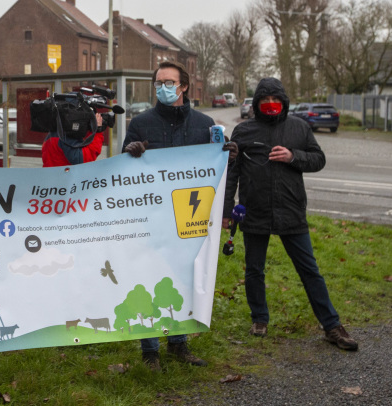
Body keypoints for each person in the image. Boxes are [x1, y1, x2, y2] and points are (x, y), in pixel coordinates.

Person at [222, 77, 358, 351]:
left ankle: (332, 325)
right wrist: (227, 212)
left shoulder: (299, 127)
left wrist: (293, 156)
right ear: (257, 104)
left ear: (284, 102)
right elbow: (232, 173)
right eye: (264, 101)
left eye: (275, 101)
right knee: (254, 270)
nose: (270, 105)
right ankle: (259, 319)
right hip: (254, 211)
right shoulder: (243, 131)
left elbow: (318, 159)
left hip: (291, 210)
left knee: (310, 270)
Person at [122, 61, 238, 371]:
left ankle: (178, 344)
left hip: (189, 216)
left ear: (183, 86)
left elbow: (213, 168)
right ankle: (150, 352)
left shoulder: (204, 125)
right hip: (153, 216)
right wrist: (130, 152)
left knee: (183, 279)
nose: (163, 88)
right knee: (148, 278)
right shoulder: (141, 124)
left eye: (169, 82)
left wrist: (226, 154)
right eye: (158, 82)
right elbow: (123, 167)